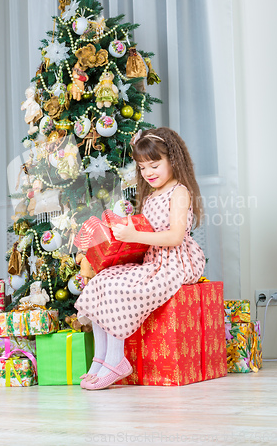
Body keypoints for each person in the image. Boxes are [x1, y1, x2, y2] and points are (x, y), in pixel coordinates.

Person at [75, 127, 205, 390]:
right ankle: (101, 358)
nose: (149, 173)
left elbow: (175, 237)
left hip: (173, 262)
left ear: (173, 160)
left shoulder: (179, 192)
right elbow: (145, 234)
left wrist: (134, 233)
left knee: (117, 288)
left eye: (155, 165)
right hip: (152, 259)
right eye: (143, 167)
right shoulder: (151, 195)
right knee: (102, 279)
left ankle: (116, 360)